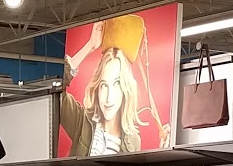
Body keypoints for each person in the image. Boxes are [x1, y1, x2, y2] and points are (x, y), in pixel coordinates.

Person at [59, 16, 167, 156]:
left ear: (125, 90)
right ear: (97, 89)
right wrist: (90, 46)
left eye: (116, 84)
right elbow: (55, 90)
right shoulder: (81, 121)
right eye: (104, 85)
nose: (109, 98)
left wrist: (161, 153)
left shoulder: (133, 141)